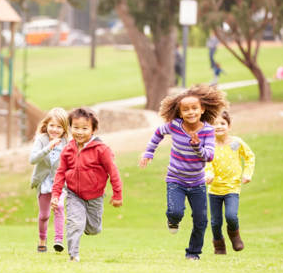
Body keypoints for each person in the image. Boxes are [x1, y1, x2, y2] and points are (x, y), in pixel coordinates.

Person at [138, 83, 229, 260]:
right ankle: (172, 219)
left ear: (202, 109)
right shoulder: (175, 126)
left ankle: (193, 253)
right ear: (180, 113)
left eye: (194, 108)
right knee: (176, 212)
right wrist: (149, 152)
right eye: (185, 109)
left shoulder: (208, 131)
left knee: (201, 221)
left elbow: (209, 156)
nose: (190, 112)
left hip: (197, 183)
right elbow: (158, 132)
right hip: (175, 180)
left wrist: (197, 147)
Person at [50, 107, 123, 262]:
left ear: (93, 129)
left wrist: (117, 194)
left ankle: (85, 227)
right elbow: (60, 174)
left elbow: (113, 172)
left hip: (95, 196)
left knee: (94, 229)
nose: (79, 132)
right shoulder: (67, 150)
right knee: (75, 223)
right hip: (74, 194)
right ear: (70, 128)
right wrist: (55, 194)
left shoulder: (102, 150)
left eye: (85, 128)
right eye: (75, 127)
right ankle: (73, 255)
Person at [205, 111, 255, 254]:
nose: (218, 126)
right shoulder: (209, 146)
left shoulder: (236, 143)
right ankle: (219, 246)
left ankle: (235, 236)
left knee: (231, 216)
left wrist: (247, 173)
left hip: (232, 188)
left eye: (222, 123)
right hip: (214, 190)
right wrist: (208, 174)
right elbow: (206, 163)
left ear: (229, 126)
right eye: (215, 124)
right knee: (215, 222)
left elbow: (249, 156)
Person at [29, 108, 70, 253]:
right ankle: (42, 238)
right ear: (46, 125)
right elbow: (32, 160)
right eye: (52, 125)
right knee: (44, 215)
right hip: (43, 182)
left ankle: (58, 240)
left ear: (65, 129)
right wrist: (48, 147)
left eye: (59, 126)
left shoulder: (67, 142)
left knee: (59, 207)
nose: (55, 129)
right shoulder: (41, 139)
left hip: (60, 183)